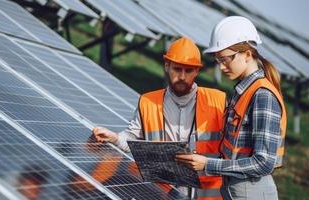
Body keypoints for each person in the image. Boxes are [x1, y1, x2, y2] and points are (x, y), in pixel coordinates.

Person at [93, 37, 226, 199]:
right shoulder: (148, 102)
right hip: (161, 194)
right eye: (177, 69)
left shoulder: (218, 102)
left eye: (189, 70)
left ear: (197, 71)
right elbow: (132, 139)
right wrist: (115, 138)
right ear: (167, 65)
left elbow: (235, 151)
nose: (182, 76)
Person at [176, 16, 286, 200]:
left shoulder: (263, 96)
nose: (221, 67)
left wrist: (208, 164)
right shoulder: (244, 91)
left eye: (226, 59)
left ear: (248, 54)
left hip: (252, 192)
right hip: (236, 190)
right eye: (218, 60)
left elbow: (264, 163)